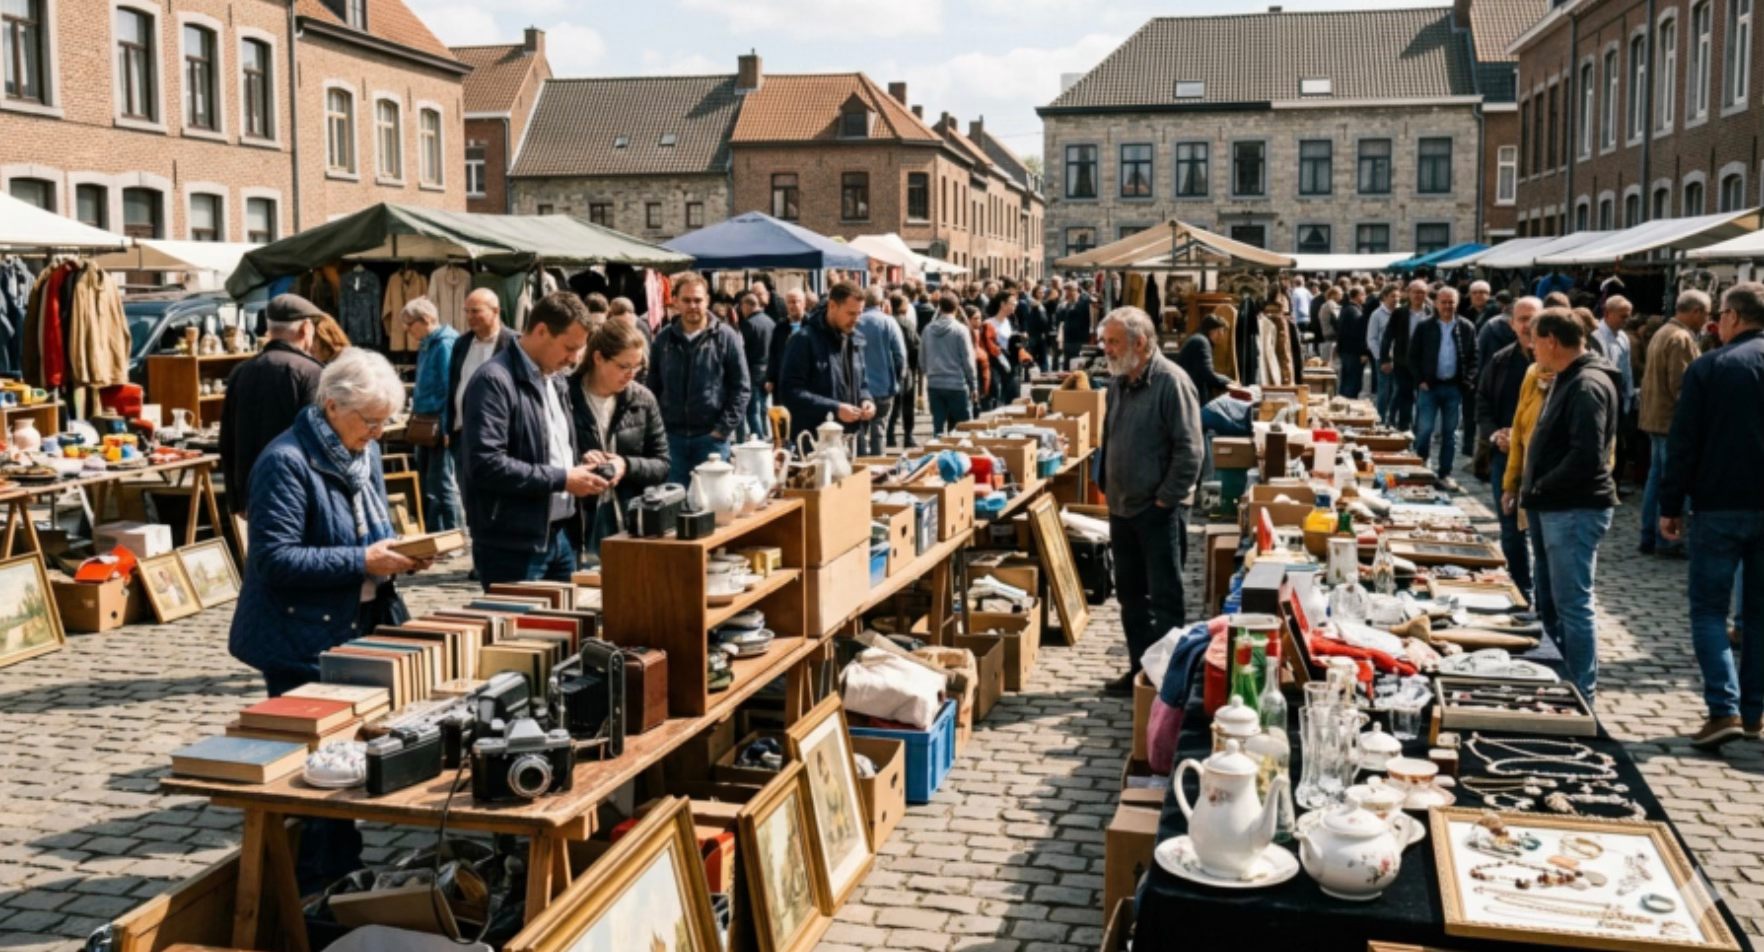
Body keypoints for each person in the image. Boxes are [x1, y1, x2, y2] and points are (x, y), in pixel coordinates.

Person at [229, 348, 432, 894]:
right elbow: (274, 560)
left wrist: (402, 554)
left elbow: (373, 530)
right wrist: (364, 561)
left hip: (356, 623)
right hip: (300, 636)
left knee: (352, 756)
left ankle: (340, 875)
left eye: (383, 421)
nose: (376, 432)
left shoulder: (357, 452)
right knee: (317, 774)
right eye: (368, 421)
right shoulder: (286, 462)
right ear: (330, 404)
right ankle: (318, 889)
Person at [1659, 283, 1764, 748]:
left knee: (1708, 609)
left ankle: (1724, 709)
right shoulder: (1711, 363)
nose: (1714, 324)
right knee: (1759, 615)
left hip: (1719, 503)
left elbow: (1683, 443)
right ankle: (1754, 713)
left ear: (1735, 318)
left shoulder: (1711, 366)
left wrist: (1669, 505)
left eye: (1719, 316)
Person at [462, 292, 605, 587]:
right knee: (519, 631)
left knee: (565, 629)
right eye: (569, 347)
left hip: (561, 536)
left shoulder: (555, 378)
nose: (574, 359)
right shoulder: (494, 381)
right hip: (513, 544)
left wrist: (582, 464)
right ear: (541, 331)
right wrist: (562, 478)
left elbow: (548, 448)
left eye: (580, 349)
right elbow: (485, 464)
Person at [1514, 309, 1620, 701]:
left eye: (1535, 340)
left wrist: (1541, 485)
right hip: (1553, 505)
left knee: (1574, 604)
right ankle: (1560, 677)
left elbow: (1586, 455)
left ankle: (1581, 690)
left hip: (1572, 508)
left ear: (1552, 341)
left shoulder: (1586, 384)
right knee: (1555, 602)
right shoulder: (1567, 377)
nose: (1531, 347)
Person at [1098, 307, 1203, 695]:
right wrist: (1105, 481)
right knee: (1130, 597)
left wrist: (1165, 501)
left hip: (1157, 511)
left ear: (1139, 343)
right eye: (1105, 341)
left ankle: (1169, 681)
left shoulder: (1171, 383)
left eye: (1114, 342)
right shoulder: (1118, 383)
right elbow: (1109, 436)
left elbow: (1190, 451)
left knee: (1165, 599)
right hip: (1122, 507)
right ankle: (1140, 671)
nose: (1106, 350)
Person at [567, 320, 669, 564]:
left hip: (630, 519)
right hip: (578, 521)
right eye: (624, 366)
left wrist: (626, 465)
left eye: (637, 366)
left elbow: (662, 465)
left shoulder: (642, 399)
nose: (631, 374)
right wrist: (580, 461)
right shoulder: (565, 395)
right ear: (599, 358)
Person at [220, 294, 324, 520]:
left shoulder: (241, 371)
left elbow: (227, 440)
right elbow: (318, 440)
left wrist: (237, 500)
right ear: (306, 328)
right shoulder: (311, 372)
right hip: (299, 493)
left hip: (254, 492)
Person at [651, 273, 750, 484]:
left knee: (710, 508)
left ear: (707, 301)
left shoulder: (726, 337)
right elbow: (653, 386)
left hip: (711, 440)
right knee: (672, 505)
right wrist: (658, 431)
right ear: (675, 301)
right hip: (672, 440)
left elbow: (741, 388)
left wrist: (723, 429)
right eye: (686, 300)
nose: (692, 306)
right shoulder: (663, 340)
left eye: (698, 300)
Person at [1638, 291, 1710, 556]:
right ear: (1695, 311)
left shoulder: (1664, 331)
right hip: (1670, 421)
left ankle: (1650, 535)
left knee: (1656, 479)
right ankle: (1665, 538)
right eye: (1706, 314)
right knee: (1669, 480)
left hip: (1655, 417)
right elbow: (1682, 385)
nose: (1707, 320)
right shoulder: (1680, 338)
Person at [1478, 296, 1540, 599]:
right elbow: (1483, 403)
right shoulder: (1501, 360)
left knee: (1541, 535)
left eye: (1534, 318)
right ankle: (1521, 590)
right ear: (1512, 324)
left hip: (1542, 462)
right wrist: (1494, 436)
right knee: (1511, 531)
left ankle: (1544, 596)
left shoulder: (1554, 362)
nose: (1528, 325)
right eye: (1523, 319)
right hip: (1506, 458)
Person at [779, 281, 874, 445]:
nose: (857, 319)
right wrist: (835, 408)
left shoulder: (855, 338)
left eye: (860, 313)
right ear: (832, 306)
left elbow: (862, 383)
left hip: (852, 438)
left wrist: (867, 400)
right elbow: (790, 392)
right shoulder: (803, 340)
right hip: (815, 442)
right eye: (851, 313)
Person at [447, 289, 519, 496]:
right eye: (467, 311)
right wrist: (449, 427)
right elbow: (454, 385)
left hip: (499, 438)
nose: (470, 317)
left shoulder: (514, 344)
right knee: (468, 497)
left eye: (476, 311)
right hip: (463, 437)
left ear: (496, 311)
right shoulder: (461, 344)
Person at [1408, 286, 1478, 489]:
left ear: (1457, 303)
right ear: (1436, 303)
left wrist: (1468, 380)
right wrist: (1419, 379)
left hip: (1453, 387)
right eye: (1444, 302)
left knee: (1450, 433)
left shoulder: (1466, 327)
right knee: (1425, 429)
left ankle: (1445, 472)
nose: (1447, 306)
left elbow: (1474, 356)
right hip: (1429, 387)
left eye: (1451, 302)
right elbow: (1413, 356)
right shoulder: (1424, 327)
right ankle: (1421, 464)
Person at [401, 297, 461, 531]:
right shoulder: (428, 343)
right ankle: (436, 534)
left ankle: (454, 537)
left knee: (442, 483)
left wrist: (447, 428)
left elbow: (450, 388)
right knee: (428, 482)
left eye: (409, 324)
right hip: (425, 424)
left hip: (438, 425)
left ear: (425, 320)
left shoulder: (445, 343)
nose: (407, 330)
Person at [855, 287, 907, 455]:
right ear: (881, 302)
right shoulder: (888, 322)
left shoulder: (856, 320)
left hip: (859, 386)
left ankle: (861, 466)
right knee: (879, 428)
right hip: (883, 385)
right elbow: (900, 355)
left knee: (860, 430)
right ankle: (878, 465)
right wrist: (898, 379)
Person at [1594, 296, 1637, 492]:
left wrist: (1628, 399)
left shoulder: (1623, 337)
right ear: (1607, 314)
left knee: (1619, 447)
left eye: (1629, 316)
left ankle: (1614, 486)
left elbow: (1626, 370)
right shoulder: (1596, 337)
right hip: (1602, 400)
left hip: (1619, 399)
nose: (1627, 320)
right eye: (1623, 316)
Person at [922, 292, 978, 435]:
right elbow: (968, 360)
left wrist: (929, 373)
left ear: (939, 307)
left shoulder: (928, 329)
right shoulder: (960, 330)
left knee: (938, 429)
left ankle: (940, 455)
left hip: (935, 384)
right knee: (964, 429)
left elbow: (922, 358)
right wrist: (974, 384)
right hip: (956, 384)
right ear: (957, 307)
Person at [1380, 280, 1431, 429]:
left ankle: (1419, 429)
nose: (1418, 295)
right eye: (1415, 292)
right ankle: (1404, 428)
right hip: (1403, 362)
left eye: (1422, 292)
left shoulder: (1431, 313)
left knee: (1423, 398)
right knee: (1405, 396)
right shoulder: (1399, 313)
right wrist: (1385, 359)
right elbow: (1387, 337)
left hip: (1425, 364)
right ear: (1408, 293)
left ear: (1426, 294)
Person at [734, 292, 774, 442]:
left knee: (752, 411)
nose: (741, 310)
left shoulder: (749, 324)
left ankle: (760, 440)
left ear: (748, 305)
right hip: (768, 370)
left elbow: (743, 351)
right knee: (762, 409)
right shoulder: (770, 322)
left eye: (742, 306)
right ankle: (764, 436)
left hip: (752, 371)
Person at [887, 292, 922, 449]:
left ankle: (890, 434)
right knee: (907, 404)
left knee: (893, 404)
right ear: (901, 306)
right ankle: (908, 435)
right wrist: (914, 367)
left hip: (889, 368)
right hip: (906, 368)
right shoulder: (906, 324)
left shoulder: (887, 322)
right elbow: (915, 346)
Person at [1176, 315, 1233, 404]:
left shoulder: (1199, 339)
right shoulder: (1202, 343)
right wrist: (1230, 382)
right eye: (1223, 331)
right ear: (1214, 331)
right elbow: (1208, 374)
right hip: (1190, 395)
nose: (1223, 335)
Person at [1366, 286, 1398, 418]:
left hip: (1400, 358)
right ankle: (1381, 418)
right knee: (1384, 391)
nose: (1396, 299)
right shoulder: (1376, 314)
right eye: (1392, 296)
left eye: (1398, 296)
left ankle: (1394, 419)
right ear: (1384, 297)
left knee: (1398, 391)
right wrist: (1381, 358)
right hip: (1383, 359)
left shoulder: (1401, 312)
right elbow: (1371, 339)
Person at [1334, 287, 1368, 398]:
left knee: (1347, 380)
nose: (1365, 297)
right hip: (1353, 352)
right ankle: (1347, 406)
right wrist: (1363, 352)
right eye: (1363, 294)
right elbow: (1359, 333)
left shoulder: (1347, 308)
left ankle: (1343, 404)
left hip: (1346, 350)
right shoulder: (1354, 311)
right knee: (1352, 383)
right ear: (1357, 296)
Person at [1058, 281, 1092, 368]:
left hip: (1079, 340)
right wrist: (1063, 305)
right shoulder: (1066, 304)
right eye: (1066, 292)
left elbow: (1086, 316)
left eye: (1069, 291)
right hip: (1068, 340)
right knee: (1067, 364)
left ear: (1075, 290)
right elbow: (1060, 318)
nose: (1067, 294)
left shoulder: (1084, 301)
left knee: (1078, 364)